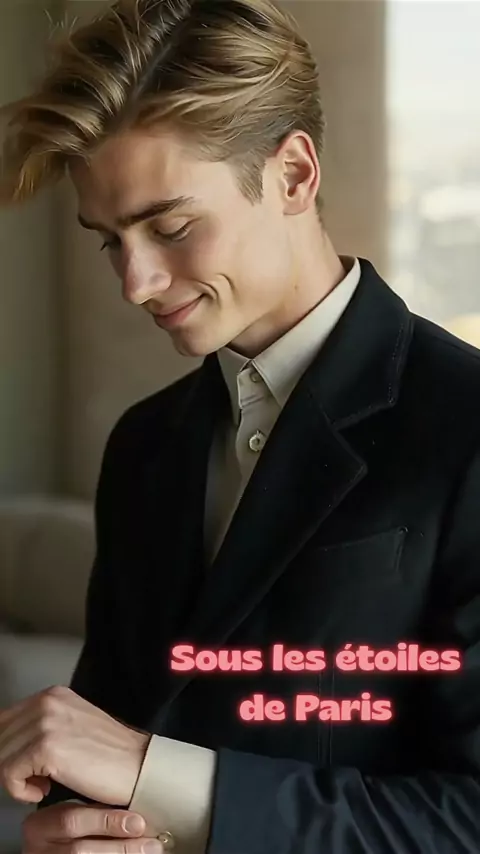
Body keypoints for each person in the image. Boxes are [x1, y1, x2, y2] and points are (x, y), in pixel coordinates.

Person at [1, 0, 480, 852]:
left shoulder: (466, 426)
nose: (136, 283)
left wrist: (152, 774)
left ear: (293, 174)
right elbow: (98, 746)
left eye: (171, 227)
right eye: (110, 241)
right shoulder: (144, 446)